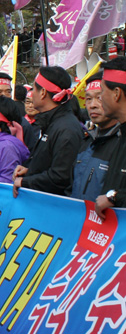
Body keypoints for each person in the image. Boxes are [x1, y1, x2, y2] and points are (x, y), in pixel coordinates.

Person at [13, 66, 83, 197]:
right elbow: (50, 163)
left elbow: (60, 177)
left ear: (43, 92)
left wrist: (26, 182)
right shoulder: (52, 121)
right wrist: (30, 171)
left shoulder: (66, 128)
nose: (31, 93)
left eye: (34, 89)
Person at [68, 73, 120, 201]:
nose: (92, 105)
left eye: (99, 97)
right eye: (88, 99)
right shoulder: (86, 141)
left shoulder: (121, 142)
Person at [95, 56, 126, 217]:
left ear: (116, 94)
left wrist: (114, 197)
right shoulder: (121, 134)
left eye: (101, 91)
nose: (99, 98)